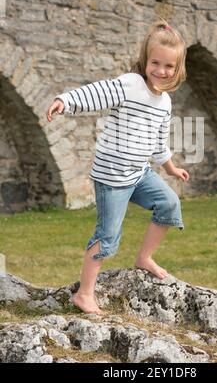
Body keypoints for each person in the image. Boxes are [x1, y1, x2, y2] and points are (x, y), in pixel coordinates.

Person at [46, 18, 189, 315]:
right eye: (155, 63)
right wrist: (65, 101)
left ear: (178, 69)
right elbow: (96, 93)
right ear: (145, 60)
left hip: (139, 173)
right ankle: (85, 294)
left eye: (169, 67)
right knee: (107, 235)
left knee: (170, 204)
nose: (161, 71)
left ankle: (144, 258)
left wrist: (171, 168)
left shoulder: (165, 103)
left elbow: (158, 140)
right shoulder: (131, 84)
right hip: (112, 177)